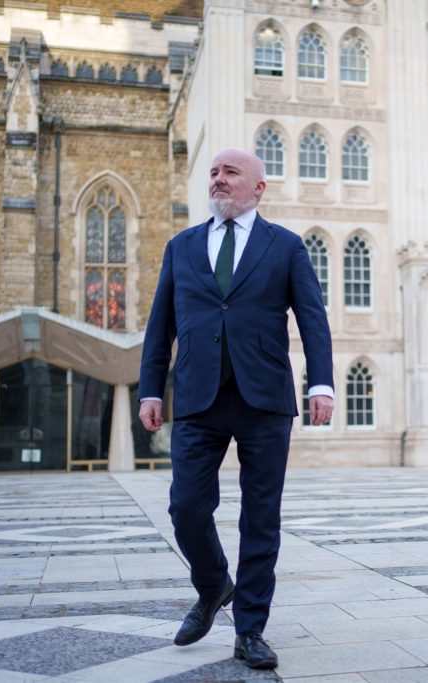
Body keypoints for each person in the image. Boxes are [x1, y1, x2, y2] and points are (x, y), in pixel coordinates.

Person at [138, 148, 334, 670]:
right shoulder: (181, 246)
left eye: (230, 172)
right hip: (197, 396)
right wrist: (150, 390)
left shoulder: (285, 246)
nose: (218, 180)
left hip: (264, 398)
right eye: (214, 173)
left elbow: (312, 318)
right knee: (185, 508)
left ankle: (249, 630)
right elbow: (160, 325)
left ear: (258, 187)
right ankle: (213, 585)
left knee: (260, 518)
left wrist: (322, 384)